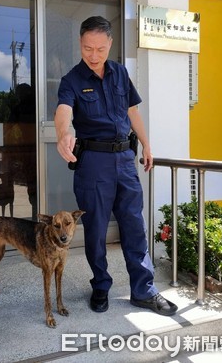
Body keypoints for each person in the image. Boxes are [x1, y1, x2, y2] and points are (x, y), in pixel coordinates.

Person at [54, 16, 177, 316]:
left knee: (135, 225)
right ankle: (100, 285)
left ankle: (143, 290)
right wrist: (63, 135)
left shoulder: (120, 73)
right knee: (95, 230)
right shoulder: (72, 79)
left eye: (100, 48)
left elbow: (132, 111)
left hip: (124, 160)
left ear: (110, 44)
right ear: (80, 44)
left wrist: (146, 144)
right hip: (93, 164)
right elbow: (64, 112)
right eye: (87, 48)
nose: (93, 55)